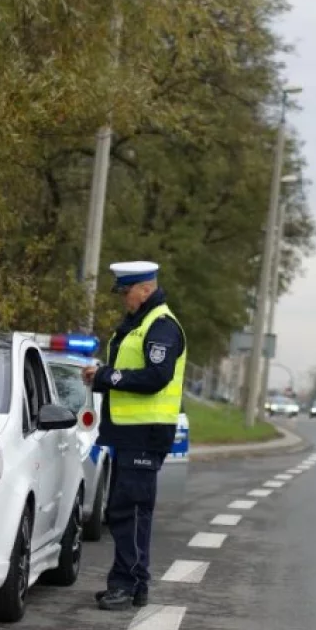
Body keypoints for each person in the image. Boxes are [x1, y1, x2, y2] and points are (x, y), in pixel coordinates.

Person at [83, 261, 187, 610]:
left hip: (146, 432)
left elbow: (157, 376)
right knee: (125, 510)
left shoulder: (161, 326)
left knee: (131, 511)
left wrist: (107, 377)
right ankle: (132, 583)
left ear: (144, 288)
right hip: (131, 433)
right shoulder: (141, 324)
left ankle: (126, 585)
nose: (124, 299)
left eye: (126, 292)